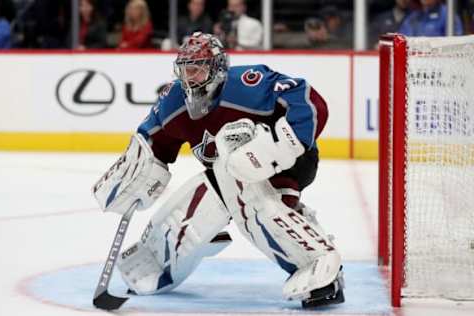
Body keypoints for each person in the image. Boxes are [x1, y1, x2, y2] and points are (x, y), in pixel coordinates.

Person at [92, 32, 344, 309]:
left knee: (251, 193)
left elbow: (307, 98)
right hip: (230, 173)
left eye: (199, 68)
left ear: (218, 67)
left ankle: (318, 264)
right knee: (203, 203)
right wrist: (136, 171)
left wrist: (281, 145)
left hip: (290, 162)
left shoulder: (248, 84)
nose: (191, 76)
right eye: (186, 69)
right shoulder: (174, 102)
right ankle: (155, 263)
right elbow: (151, 139)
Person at [399, 0, 463, 36]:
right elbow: (403, 37)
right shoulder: (413, 16)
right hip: (416, 57)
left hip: (439, 57)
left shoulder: (448, 15)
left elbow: (455, 43)